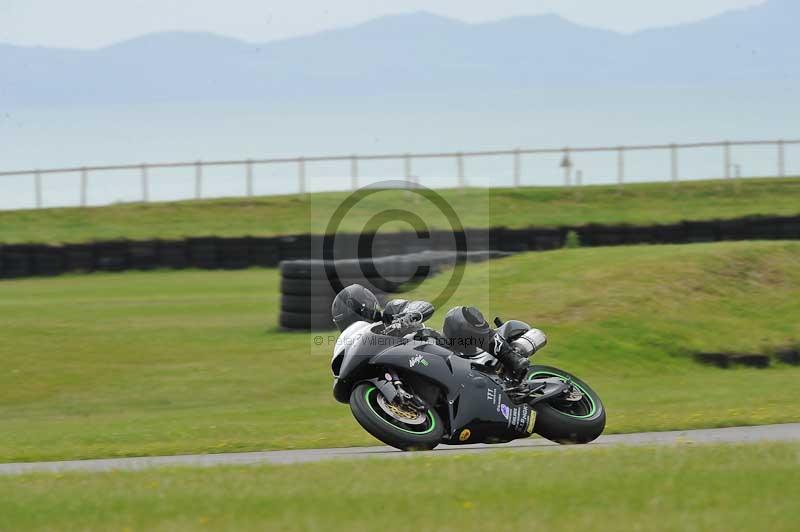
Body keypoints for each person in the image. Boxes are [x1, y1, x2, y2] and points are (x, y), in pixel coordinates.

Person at [331, 284, 530, 380]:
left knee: (456, 317)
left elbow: (422, 305)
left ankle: (511, 358)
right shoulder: (363, 346)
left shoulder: (391, 312)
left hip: (451, 351)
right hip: (422, 372)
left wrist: (408, 316)